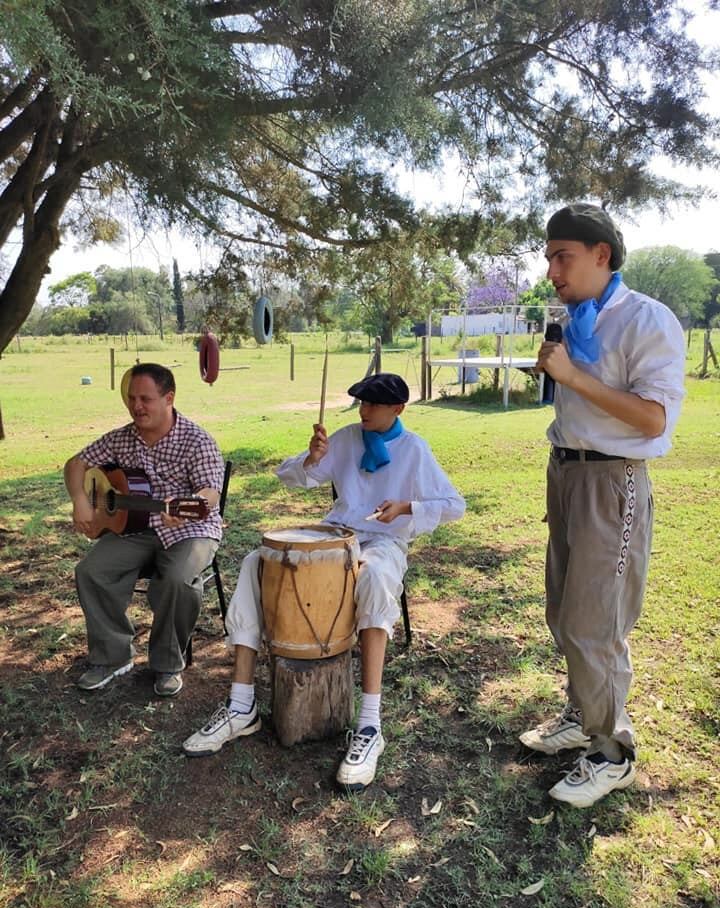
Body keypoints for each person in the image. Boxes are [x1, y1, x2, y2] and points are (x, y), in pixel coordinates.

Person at [183, 372, 465, 790]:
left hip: (384, 542)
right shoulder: (348, 437)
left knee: (373, 579)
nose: (364, 411)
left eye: (372, 405)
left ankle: (369, 725)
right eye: (361, 403)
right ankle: (242, 706)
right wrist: (313, 459)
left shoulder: (414, 449)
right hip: (336, 532)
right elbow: (291, 476)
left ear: (398, 409)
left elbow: (454, 505)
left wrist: (407, 506)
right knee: (254, 563)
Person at [521, 203, 686, 808]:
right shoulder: (576, 319)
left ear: (601, 255)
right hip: (565, 475)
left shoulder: (647, 320)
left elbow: (653, 419)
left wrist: (572, 375)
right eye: (548, 257)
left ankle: (611, 752)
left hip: (612, 481)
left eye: (561, 256)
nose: (552, 270)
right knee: (564, 611)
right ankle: (581, 713)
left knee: (598, 622)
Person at [65, 362, 224, 698]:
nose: (136, 406)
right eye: (132, 398)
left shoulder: (197, 440)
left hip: (190, 530)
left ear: (169, 398)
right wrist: (80, 498)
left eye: (146, 399)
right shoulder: (122, 438)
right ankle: (112, 657)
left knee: (177, 580)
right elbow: (76, 463)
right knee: (91, 571)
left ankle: (167, 664)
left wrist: (186, 505)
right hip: (134, 529)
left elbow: (210, 492)